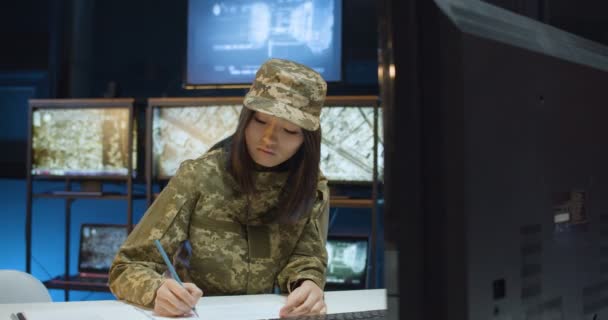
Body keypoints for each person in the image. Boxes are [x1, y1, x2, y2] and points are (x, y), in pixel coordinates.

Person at [109, 58, 330, 318]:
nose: (269, 139)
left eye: (290, 130)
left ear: (307, 140)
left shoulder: (311, 185)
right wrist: (157, 291)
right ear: (245, 119)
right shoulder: (199, 176)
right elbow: (128, 267)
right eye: (260, 121)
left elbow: (306, 256)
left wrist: (308, 284)